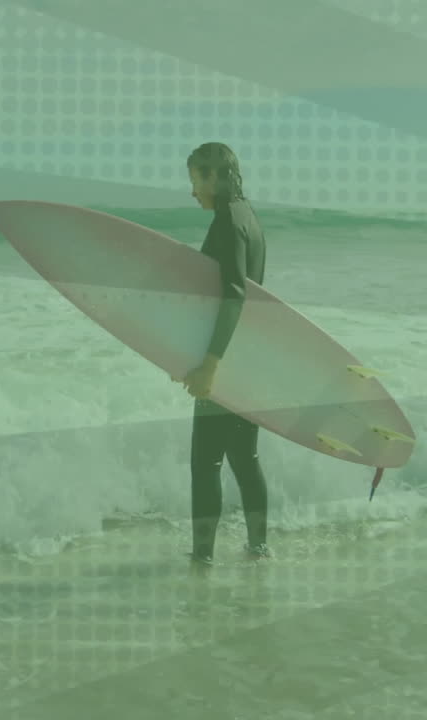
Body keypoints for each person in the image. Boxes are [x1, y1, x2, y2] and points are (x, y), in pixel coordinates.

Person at [178, 142, 270, 565]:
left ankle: (202, 559)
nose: (193, 189)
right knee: (244, 459)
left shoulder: (227, 222)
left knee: (206, 463)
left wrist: (210, 365)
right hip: (248, 356)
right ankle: (258, 547)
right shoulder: (248, 217)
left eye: (195, 178)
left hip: (227, 358)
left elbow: (233, 296)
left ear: (213, 176)